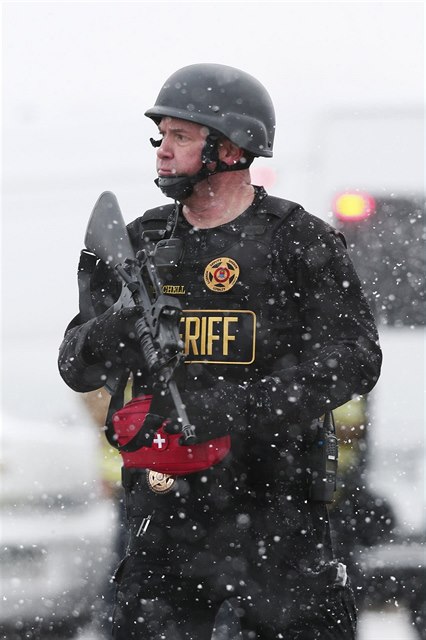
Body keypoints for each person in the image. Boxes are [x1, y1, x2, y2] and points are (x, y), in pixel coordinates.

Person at [58, 63, 382, 639]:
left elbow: (356, 358)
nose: (162, 150)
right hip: (166, 527)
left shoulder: (298, 241)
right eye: (161, 136)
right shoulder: (138, 244)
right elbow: (76, 364)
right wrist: (124, 325)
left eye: (181, 136)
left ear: (232, 148)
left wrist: (231, 409)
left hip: (279, 524)